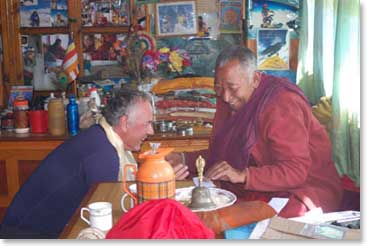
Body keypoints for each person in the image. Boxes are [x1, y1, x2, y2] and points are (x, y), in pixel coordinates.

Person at [167, 46, 343, 218]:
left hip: (302, 188)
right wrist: (183, 158)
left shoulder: (281, 104)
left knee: (258, 220)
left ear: (256, 79)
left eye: (233, 88)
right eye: (219, 87)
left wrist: (243, 175)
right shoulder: (228, 99)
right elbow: (224, 154)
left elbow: (295, 171)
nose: (226, 97)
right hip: (255, 185)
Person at [0, 88, 155, 238]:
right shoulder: (103, 154)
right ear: (124, 122)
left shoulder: (101, 137)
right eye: (147, 124)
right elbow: (106, 219)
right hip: (28, 236)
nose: (151, 131)